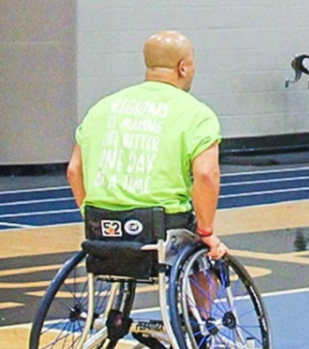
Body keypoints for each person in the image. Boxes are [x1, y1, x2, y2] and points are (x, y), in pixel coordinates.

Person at [67, 31, 227, 259]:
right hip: (160, 227)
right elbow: (205, 175)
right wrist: (206, 232)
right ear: (183, 67)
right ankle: (201, 292)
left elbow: (74, 171)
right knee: (208, 257)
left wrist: (90, 215)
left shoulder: (101, 108)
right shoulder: (197, 113)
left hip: (102, 224)